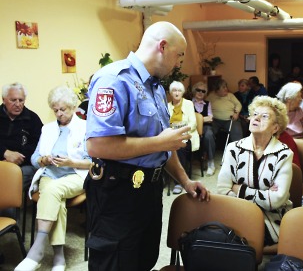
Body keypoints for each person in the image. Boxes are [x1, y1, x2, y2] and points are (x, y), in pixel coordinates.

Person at [84, 21, 210, 271]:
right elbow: (97, 146)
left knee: (144, 258)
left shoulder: (154, 86)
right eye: (178, 56)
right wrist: (160, 142)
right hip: (118, 191)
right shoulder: (113, 79)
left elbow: (163, 147)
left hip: (150, 189)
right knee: (116, 262)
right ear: (163, 46)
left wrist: (185, 181)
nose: (178, 64)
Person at [15, 86, 91, 271]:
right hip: (49, 174)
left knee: (52, 191)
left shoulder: (85, 127)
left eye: (63, 110)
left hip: (75, 175)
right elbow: (34, 159)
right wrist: (43, 159)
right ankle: (58, 257)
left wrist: (70, 162)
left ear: (73, 107)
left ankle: (37, 251)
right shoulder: (47, 129)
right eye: (55, 110)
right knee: (57, 200)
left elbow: (91, 163)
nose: (59, 114)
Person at [217, 96, 293, 246]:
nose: (256, 118)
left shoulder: (284, 153)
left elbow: (276, 200)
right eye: (255, 114)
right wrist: (263, 196)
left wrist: (239, 189)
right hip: (238, 212)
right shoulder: (233, 148)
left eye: (264, 116)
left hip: (272, 218)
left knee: (243, 242)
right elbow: (222, 189)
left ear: (275, 128)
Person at [0, 82, 43, 189]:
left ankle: (9, 203)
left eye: (21, 100)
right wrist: (5, 153)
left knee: (12, 178)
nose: (18, 104)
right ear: (3, 99)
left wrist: (17, 159)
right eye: (13, 100)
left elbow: (39, 145)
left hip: (23, 165)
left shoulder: (33, 119)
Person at [168, 81, 199, 193]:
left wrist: (179, 131)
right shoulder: (167, 106)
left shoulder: (188, 104)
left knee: (179, 147)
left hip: (187, 135)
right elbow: (166, 124)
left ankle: (179, 182)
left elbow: (193, 123)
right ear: (171, 93)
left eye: (179, 90)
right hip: (171, 135)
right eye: (174, 90)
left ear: (183, 92)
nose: (177, 93)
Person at [206, 78, 243, 144]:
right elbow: (205, 105)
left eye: (226, 87)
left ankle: (238, 150)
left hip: (230, 119)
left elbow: (238, 104)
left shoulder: (230, 95)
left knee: (237, 132)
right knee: (208, 132)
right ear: (217, 90)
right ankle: (207, 152)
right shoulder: (211, 96)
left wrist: (236, 113)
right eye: (223, 87)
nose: (226, 89)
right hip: (215, 120)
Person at [191, 81, 217, 176]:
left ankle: (210, 162)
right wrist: (203, 119)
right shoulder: (188, 103)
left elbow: (210, 118)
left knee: (209, 134)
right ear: (194, 91)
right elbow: (188, 118)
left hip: (206, 126)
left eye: (203, 91)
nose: (200, 93)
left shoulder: (207, 103)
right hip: (191, 127)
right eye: (198, 90)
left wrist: (197, 119)